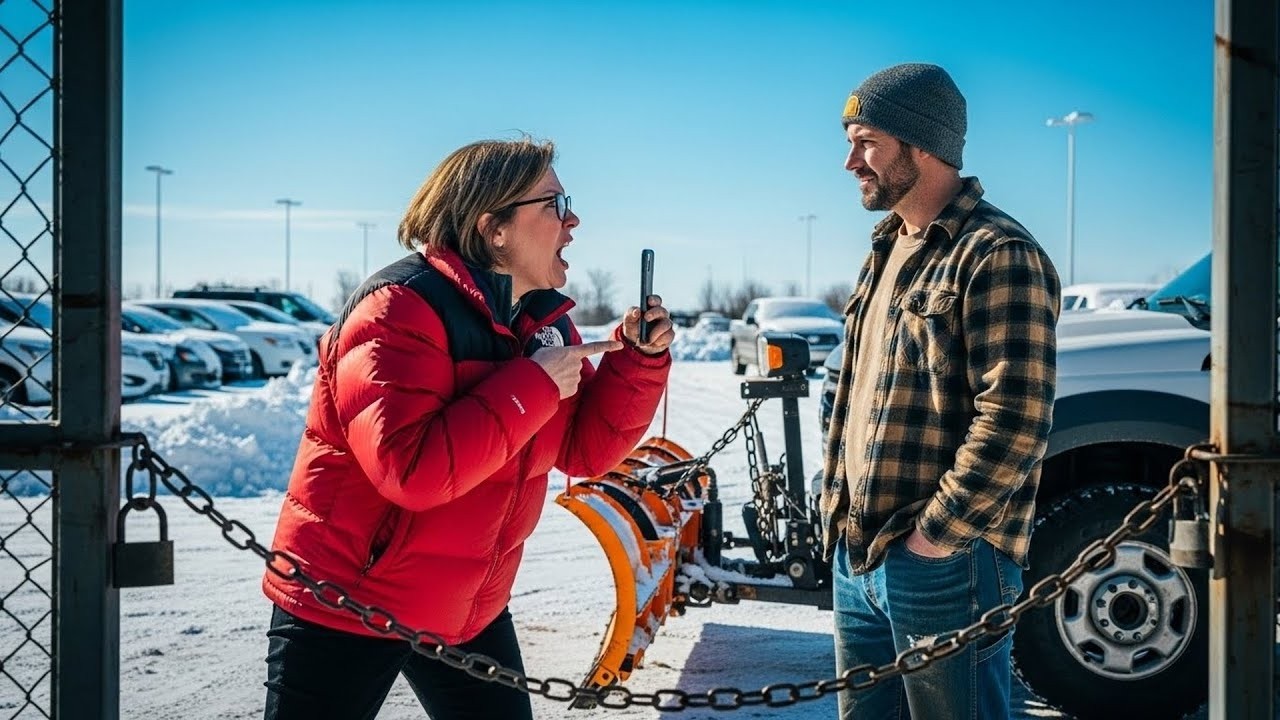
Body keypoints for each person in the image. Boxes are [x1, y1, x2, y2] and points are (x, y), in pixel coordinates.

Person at [260, 137, 675, 720]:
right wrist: (531, 384)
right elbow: (411, 472)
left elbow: (584, 452)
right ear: (494, 227)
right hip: (348, 601)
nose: (572, 220)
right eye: (553, 204)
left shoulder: (540, 323)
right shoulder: (398, 310)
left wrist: (638, 362)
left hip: (464, 606)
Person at [820, 63, 1060, 719]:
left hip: (945, 565)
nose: (850, 162)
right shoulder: (887, 248)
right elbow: (855, 390)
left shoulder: (996, 252)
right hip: (860, 555)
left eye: (865, 141)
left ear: (920, 144)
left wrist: (934, 540)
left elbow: (1015, 418)